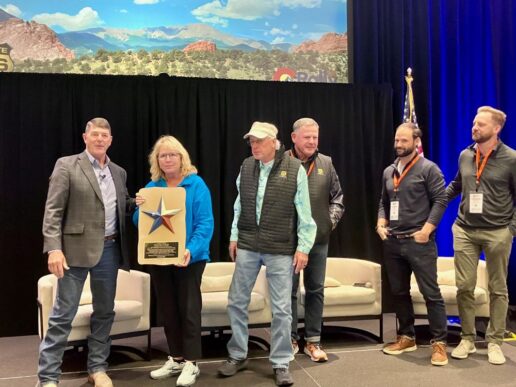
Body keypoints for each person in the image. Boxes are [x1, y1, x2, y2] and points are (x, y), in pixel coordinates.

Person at [218, 121, 316, 386]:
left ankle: (281, 361)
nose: (254, 145)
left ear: (274, 142)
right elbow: (238, 204)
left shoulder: (294, 168)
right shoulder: (246, 166)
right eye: (251, 141)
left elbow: (305, 213)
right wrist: (234, 236)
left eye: (259, 141)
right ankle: (238, 354)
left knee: (282, 308)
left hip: (280, 247)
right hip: (248, 244)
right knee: (237, 300)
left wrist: (303, 247)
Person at [38, 118, 135, 387]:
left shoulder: (119, 172)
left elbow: (119, 205)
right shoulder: (66, 165)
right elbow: (53, 211)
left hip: (110, 250)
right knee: (62, 315)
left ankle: (97, 368)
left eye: (105, 135)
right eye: (95, 134)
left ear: (111, 140)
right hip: (73, 252)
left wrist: (137, 203)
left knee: (105, 312)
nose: (100, 139)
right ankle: (48, 377)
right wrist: (54, 248)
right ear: (85, 137)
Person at [133, 135, 214, 386]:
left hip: (190, 258)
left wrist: (190, 249)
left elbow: (205, 223)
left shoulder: (196, 184)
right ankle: (176, 358)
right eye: (162, 155)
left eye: (172, 154)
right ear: (157, 160)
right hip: (160, 257)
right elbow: (141, 224)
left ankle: (192, 363)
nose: (167, 159)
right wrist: (139, 208)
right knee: (168, 309)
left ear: (182, 157)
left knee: (188, 309)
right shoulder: (152, 185)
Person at [446, 106, 516, 365]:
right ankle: (467, 338)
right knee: (464, 287)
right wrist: (436, 202)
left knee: (498, 288)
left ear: (496, 129)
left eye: (481, 124)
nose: (474, 127)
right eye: (474, 123)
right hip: (464, 229)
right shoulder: (466, 155)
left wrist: (511, 230)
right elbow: (457, 184)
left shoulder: (511, 158)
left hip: (498, 231)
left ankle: (495, 341)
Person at [376, 122, 448, 366]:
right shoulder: (389, 171)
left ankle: (439, 344)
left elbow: (440, 201)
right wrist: (380, 221)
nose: (399, 144)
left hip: (420, 243)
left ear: (416, 142)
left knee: (431, 294)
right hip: (393, 243)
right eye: (397, 140)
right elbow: (384, 201)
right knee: (398, 292)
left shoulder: (429, 169)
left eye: (404, 141)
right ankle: (407, 336)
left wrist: (428, 230)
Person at [288, 117, 344, 362]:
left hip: (319, 240)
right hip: (288, 241)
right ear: (294, 138)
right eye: (307, 137)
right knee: (287, 292)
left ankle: (313, 341)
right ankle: (288, 340)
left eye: (315, 137)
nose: (312, 142)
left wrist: (328, 223)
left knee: (315, 290)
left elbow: (338, 198)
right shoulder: (282, 162)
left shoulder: (326, 163)